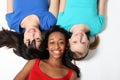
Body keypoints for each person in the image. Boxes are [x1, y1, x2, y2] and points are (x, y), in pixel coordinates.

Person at [13, 25, 80, 80]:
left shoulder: (71, 74)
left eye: (61, 42)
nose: (56, 46)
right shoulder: (34, 62)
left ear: (66, 46)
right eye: (52, 42)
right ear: (47, 46)